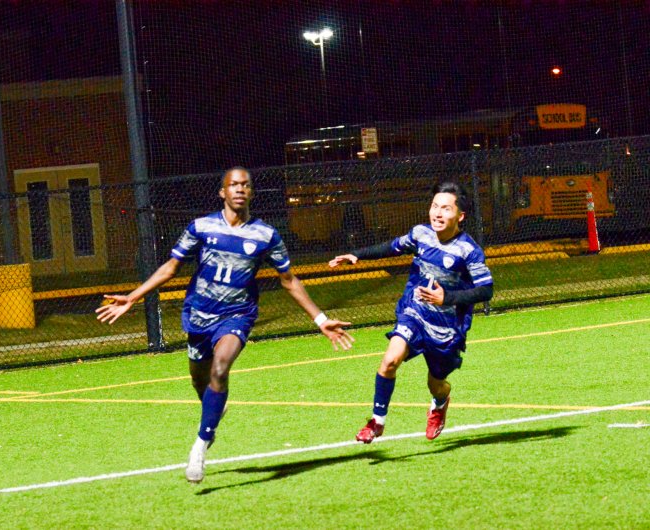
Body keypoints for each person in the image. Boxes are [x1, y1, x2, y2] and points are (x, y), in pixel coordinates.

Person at [97, 167, 354, 483]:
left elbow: (289, 281)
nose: (239, 189)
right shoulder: (201, 228)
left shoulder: (266, 236)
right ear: (222, 192)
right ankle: (212, 412)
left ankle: (200, 446)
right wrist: (133, 297)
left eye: (245, 184)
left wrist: (321, 319)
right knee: (200, 380)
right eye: (233, 184)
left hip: (237, 315)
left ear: (251, 193)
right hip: (199, 315)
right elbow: (170, 268)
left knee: (221, 368)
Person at [329, 182, 493, 443]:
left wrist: (446, 298)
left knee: (436, 382)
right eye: (434, 206)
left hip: (447, 324)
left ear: (460, 216)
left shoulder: (469, 250)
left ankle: (440, 402)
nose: (438, 213)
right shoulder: (420, 234)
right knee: (389, 361)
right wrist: (356, 255)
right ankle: (376, 422)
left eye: (446, 209)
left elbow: (486, 290)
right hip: (414, 311)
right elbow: (391, 247)